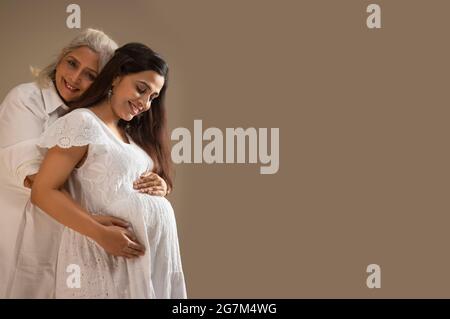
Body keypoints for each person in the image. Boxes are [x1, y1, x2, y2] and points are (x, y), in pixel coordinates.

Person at [0, 29, 169, 298]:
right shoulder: (27, 100)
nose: (76, 78)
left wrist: (157, 186)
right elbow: (37, 181)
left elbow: (110, 173)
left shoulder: (101, 121)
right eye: (72, 63)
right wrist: (98, 228)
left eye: (91, 75)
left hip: (77, 246)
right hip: (24, 237)